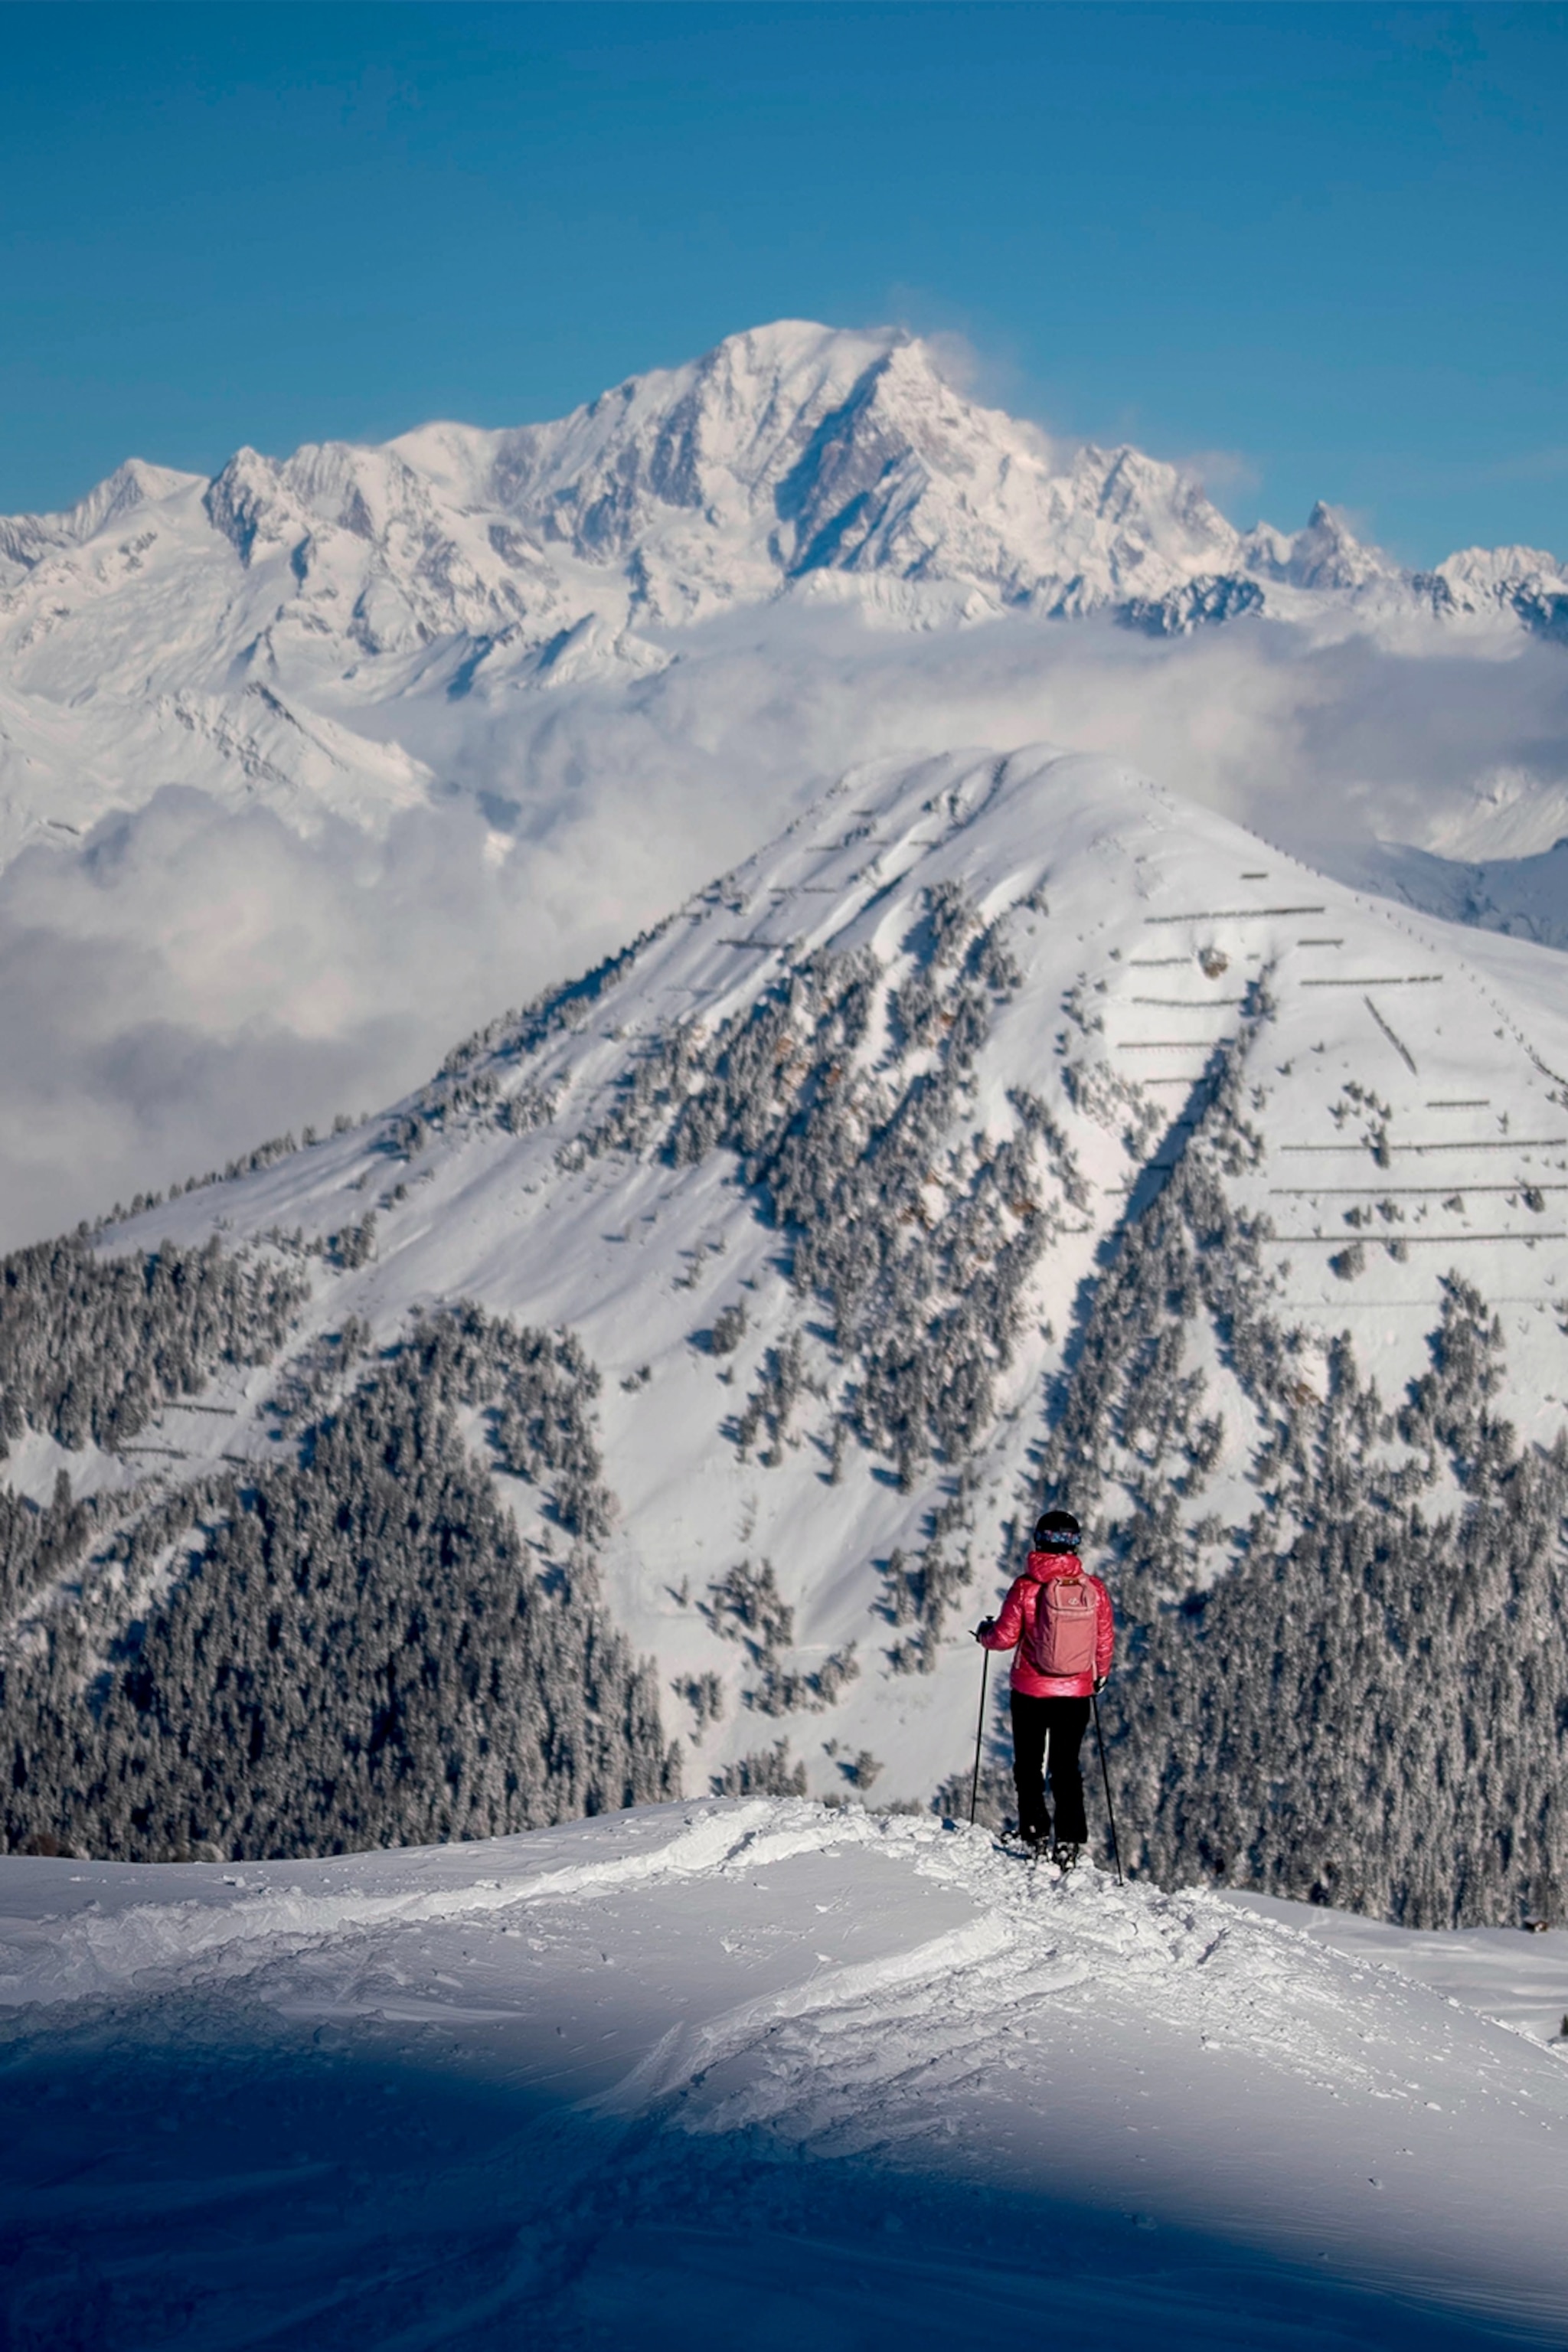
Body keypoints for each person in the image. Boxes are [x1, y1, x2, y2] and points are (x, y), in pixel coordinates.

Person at [974, 1509, 1114, 1866]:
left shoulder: (1026, 1588)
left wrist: (984, 1634)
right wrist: (1100, 1675)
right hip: (1076, 1693)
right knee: (1066, 1767)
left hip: (1031, 1691)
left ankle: (1033, 1834)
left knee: (1028, 1765)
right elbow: (1104, 1639)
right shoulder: (1092, 1589)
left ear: (1039, 1540)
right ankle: (1069, 1841)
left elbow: (1004, 1638)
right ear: (1074, 1544)